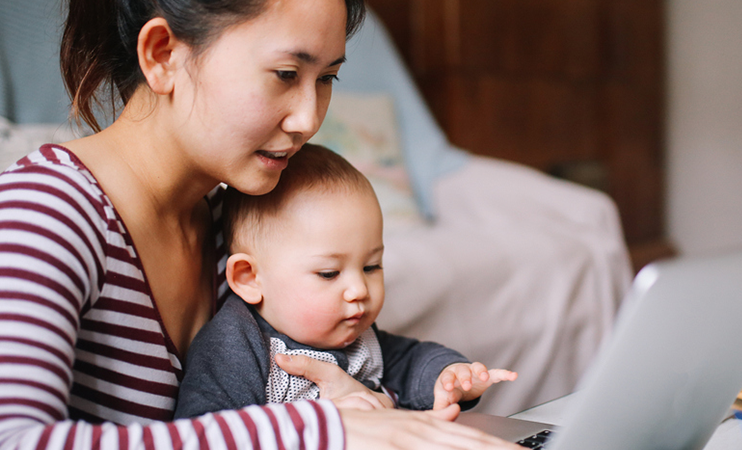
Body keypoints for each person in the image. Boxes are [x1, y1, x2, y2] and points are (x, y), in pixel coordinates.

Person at [0, 0, 520, 448]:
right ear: (163, 55)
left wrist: (372, 408)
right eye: (287, 74)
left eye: (328, 78)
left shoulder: (234, 220)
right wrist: (319, 428)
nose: (309, 118)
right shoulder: (45, 213)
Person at [174, 145, 516, 419]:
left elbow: (410, 361)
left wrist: (449, 376)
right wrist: (319, 421)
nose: (359, 291)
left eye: (371, 266)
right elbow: (209, 431)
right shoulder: (236, 346)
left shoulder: (357, 336)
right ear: (249, 279)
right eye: (329, 273)